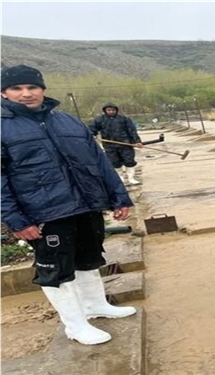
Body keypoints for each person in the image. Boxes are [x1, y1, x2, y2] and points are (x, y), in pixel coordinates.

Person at [0, 65, 136, 345]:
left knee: (88, 258)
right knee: (56, 270)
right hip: (44, 212)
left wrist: (118, 196)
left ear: (43, 90)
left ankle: (96, 305)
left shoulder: (66, 121)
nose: (26, 93)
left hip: (85, 204)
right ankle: (75, 325)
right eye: (17, 88)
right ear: (4, 92)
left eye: (32, 87)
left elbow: (99, 161)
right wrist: (16, 220)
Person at [89, 102, 143, 185]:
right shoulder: (99, 120)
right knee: (114, 163)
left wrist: (137, 141)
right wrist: (92, 135)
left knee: (129, 161)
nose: (111, 112)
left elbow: (132, 131)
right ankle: (120, 179)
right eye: (109, 110)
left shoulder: (124, 119)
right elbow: (92, 129)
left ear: (116, 110)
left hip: (125, 144)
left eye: (113, 110)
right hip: (109, 145)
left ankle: (131, 178)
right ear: (105, 110)